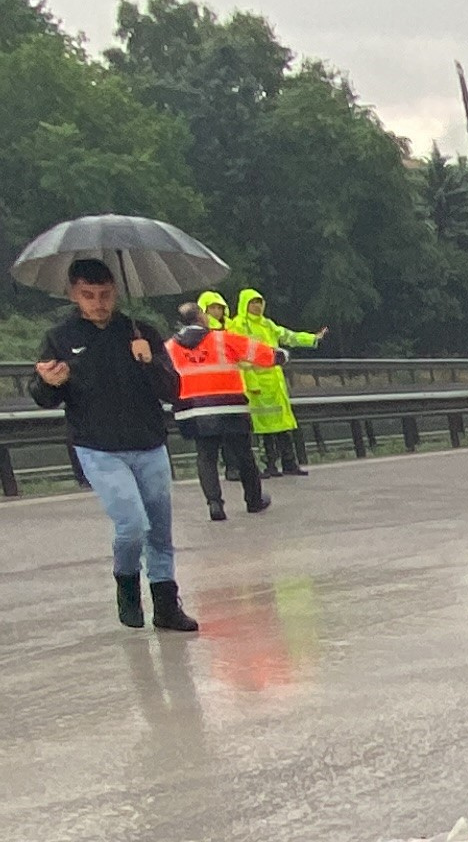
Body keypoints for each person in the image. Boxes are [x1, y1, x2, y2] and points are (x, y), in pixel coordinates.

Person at [29, 258, 196, 632]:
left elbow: (172, 390)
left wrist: (150, 362)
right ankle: (126, 584)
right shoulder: (60, 338)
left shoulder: (142, 332)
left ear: (115, 292)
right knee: (131, 523)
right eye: (88, 295)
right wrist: (49, 383)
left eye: (105, 294)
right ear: (74, 294)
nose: (98, 303)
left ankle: (166, 603)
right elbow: (43, 396)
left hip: (148, 441)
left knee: (159, 528)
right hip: (97, 446)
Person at [171, 292, 278, 521]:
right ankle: (254, 500)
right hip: (229, 405)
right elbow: (258, 352)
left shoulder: (170, 347)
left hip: (193, 409)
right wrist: (280, 356)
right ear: (201, 318)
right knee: (243, 455)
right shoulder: (221, 339)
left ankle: (215, 504)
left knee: (206, 457)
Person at [226, 286, 320, 474]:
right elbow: (238, 355)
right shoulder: (238, 325)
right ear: (245, 304)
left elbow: (287, 336)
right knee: (264, 428)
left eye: (260, 303)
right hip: (257, 384)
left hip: (275, 382)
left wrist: (311, 339)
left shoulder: (267, 324)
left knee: (283, 425)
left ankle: (289, 463)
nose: (257, 307)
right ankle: (269, 464)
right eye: (253, 303)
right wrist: (250, 380)